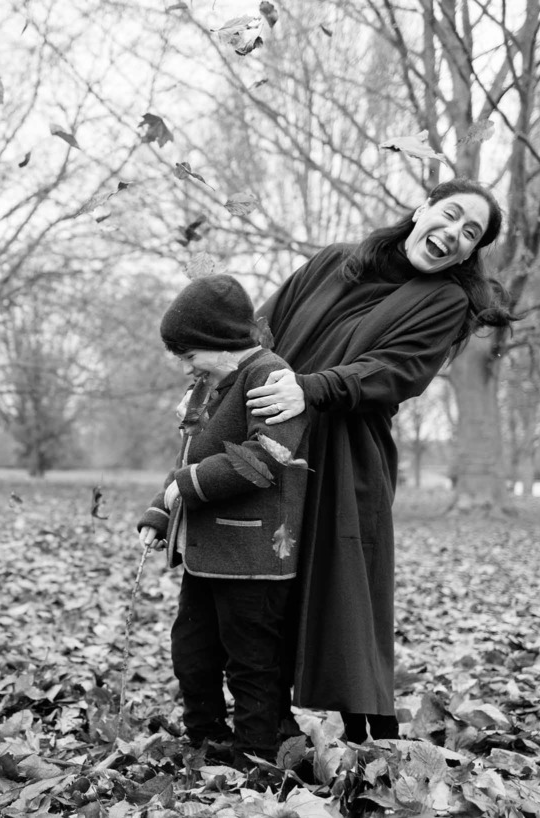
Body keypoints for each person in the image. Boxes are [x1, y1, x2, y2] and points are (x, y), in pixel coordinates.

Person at [243, 179, 513, 742]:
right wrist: (209, 381)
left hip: (348, 459)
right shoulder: (334, 262)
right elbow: (258, 333)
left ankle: (373, 736)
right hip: (269, 444)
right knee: (260, 583)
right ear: (424, 209)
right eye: (452, 215)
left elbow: (393, 371)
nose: (454, 235)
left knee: (348, 591)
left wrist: (310, 388)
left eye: (471, 234)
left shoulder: (445, 302)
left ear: (470, 253)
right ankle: (262, 725)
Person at [136, 274, 310, 766]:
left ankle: (256, 752)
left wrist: (186, 487)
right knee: (192, 652)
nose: (183, 363)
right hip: (205, 555)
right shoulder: (210, 384)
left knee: (252, 661)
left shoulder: (268, 375)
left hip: (252, 554)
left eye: (188, 353)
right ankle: (205, 736)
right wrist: (160, 507)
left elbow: (268, 454)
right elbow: (191, 454)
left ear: (219, 342)